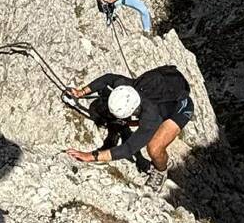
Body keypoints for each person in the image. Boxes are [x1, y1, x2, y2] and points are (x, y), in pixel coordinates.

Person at [63, 65, 194, 189]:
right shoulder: (124, 86)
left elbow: (128, 148)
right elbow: (108, 78)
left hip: (180, 108)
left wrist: (90, 156)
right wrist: (81, 92)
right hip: (161, 97)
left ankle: (161, 170)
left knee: (154, 147)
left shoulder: (151, 118)